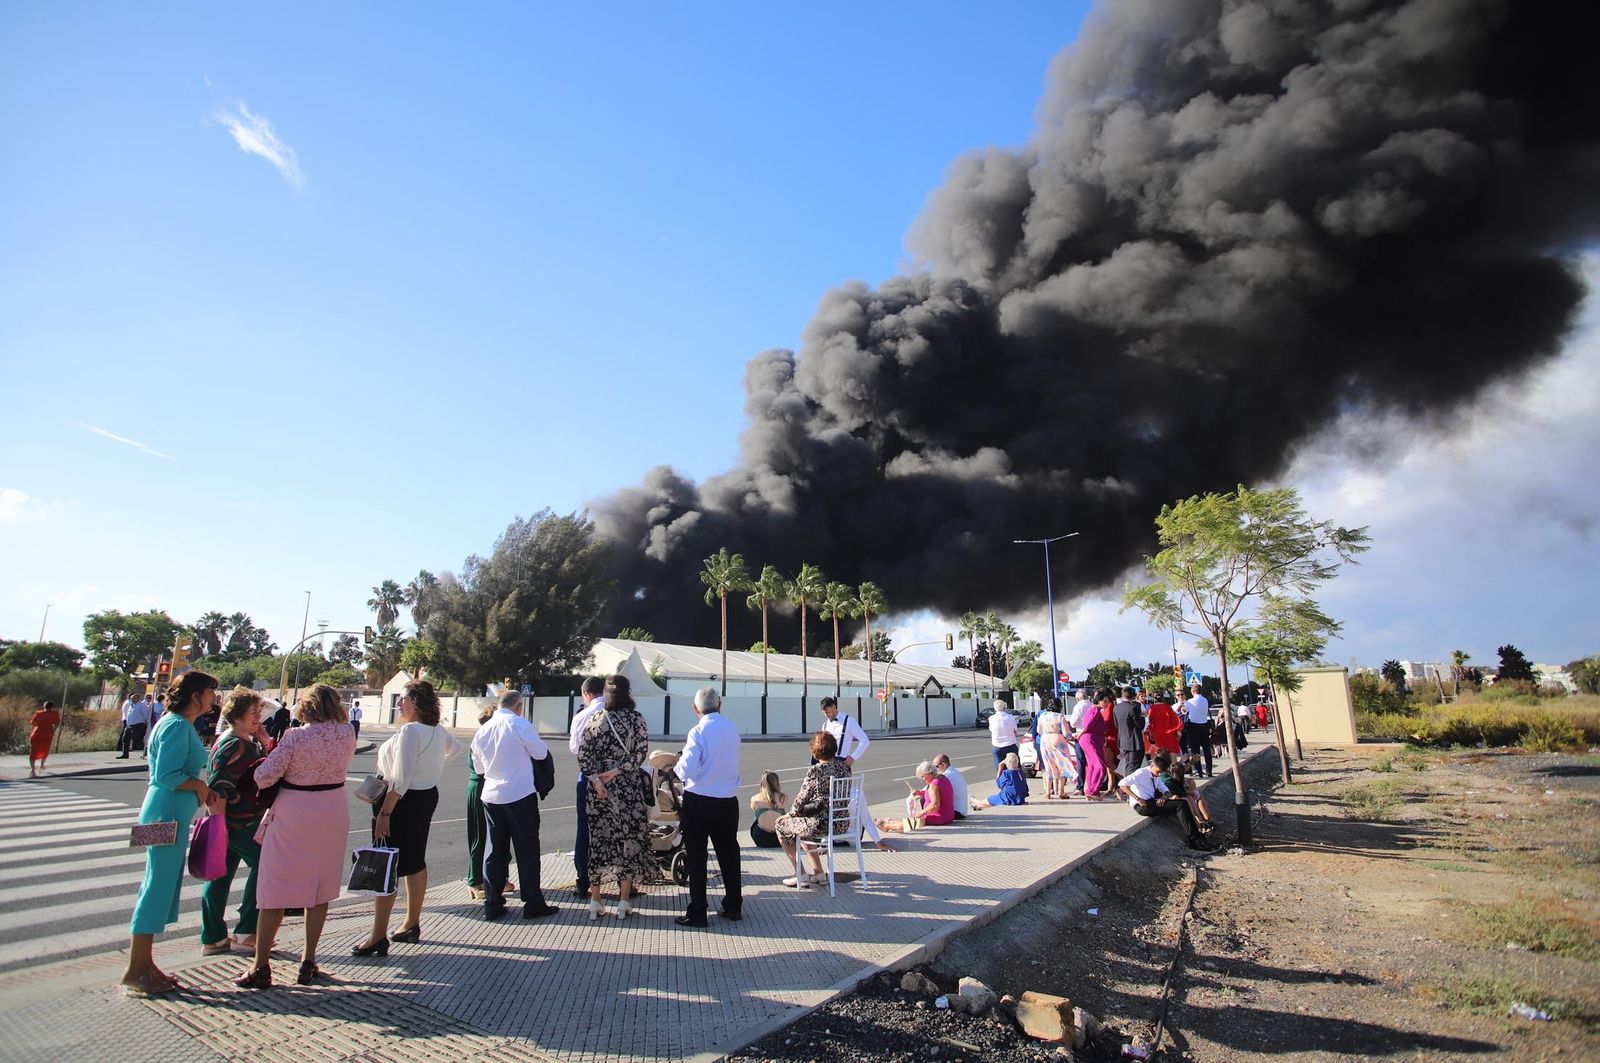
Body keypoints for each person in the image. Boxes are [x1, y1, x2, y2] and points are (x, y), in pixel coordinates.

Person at [236, 683, 357, 989]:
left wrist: (267, 747)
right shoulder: (347, 734)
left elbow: (264, 777)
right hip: (332, 808)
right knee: (320, 886)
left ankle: (260, 965)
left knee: (276, 885)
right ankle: (309, 960)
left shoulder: (295, 736)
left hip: (295, 810)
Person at [123, 670, 216, 997]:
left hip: (166, 810)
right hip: (166, 812)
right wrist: (199, 785)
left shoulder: (176, 723)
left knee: (158, 884)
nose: (213, 698)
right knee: (156, 887)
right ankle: (136, 969)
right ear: (195, 696)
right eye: (209, 692)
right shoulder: (177, 725)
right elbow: (166, 775)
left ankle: (145, 964)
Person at [354, 679, 458, 956]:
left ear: (416, 703)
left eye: (403, 698)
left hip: (399, 800)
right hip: (424, 797)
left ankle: (378, 935)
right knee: (414, 860)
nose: (399, 703)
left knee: (387, 862)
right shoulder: (437, 730)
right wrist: (431, 769)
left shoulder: (411, 732)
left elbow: (399, 780)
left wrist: (385, 813)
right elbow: (455, 749)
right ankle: (411, 923)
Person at [471, 688, 559, 922]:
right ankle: (533, 902)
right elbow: (540, 753)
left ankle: (492, 902)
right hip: (520, 794)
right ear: (519, 706)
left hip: (491, 795)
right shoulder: (520, 725)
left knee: (494, 851)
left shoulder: (483, 731)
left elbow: (479, 768)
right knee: (527, 850)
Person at [577, 675, 653, 919]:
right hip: (626, 787)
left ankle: (596, 900)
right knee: (626, 841)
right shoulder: (636, 719)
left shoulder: (595, 718)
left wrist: (596, 779)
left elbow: (583, 753)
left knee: (599, 840)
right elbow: (640, 754)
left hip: (598, 790)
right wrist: (616, 771)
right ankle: (623, 901)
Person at [200, 687, 268, 956]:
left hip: (230, 821)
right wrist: (219, 825)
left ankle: (213, 937)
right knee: (266, 864)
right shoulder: (236, 744)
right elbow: (219, 788)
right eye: (253, 712)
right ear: (237, 716)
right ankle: (247, 931)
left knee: (219, 876)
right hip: (238, 821)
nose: (258, 716)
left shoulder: (233, 739)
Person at [670, 686, 743, 927]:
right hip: (727, 801)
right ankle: (733, 905)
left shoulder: (698, 731)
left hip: (699, 800)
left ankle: (698, 911)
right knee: (729, 854)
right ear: (719, 705)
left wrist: (676, 768)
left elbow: (687, 768)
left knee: (697, 857)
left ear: (695, 709)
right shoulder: (732, 728)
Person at [774, 731, 852, 888]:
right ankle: (818, 873)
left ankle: (800, 874)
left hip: (822, 823)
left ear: (815, 753)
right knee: (802, 828)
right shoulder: (844, 768)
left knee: (781, 825)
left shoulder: (816, 770)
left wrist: (789, 814)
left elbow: (801, 799)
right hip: (841, 821)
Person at [465, 703, 514, 900]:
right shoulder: (483, 738)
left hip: (496, 789)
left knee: (499, 837)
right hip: (481, 788)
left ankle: (499, 878)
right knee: (480, 837)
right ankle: (474, 881)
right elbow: (482, 769)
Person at [1117, 749, 1208, 850]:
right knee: (1181, 805)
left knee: (1182, 803)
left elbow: (1166, 791)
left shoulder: (1157, 776)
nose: (1159, 774)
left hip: (1153, 802)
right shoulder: (1141, 773)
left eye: (1161, 772)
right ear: (1153, 766)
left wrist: (1163, 798)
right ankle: (1194, 839)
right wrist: (1137, 798)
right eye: (1158, 771)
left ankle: (1197, 835)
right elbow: (1122, 784)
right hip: (1142, 806)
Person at [569, 675, 606, 897]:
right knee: (614, 830)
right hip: (614, 777)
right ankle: (623, 883)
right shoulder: (617, 715)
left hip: (587, 777)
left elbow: (575, 749)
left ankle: (584, 881)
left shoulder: (582, 716)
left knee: (585, 829)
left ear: (586, 694)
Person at [877, 760, 955, 832]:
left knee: (914, 821)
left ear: (930, 773)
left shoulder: (934, 785)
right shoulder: (942, 778)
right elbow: (938, 794)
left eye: (923, 776)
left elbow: (935, 805)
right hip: (948, 815)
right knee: (914, 818)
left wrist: (922, 812)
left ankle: (887, 826)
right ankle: (891, 822)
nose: (923, 779)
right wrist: (920, 793)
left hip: (940, 817)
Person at [1033, 698, 1076, 799]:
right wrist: (1071, 736)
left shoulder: (1042, 716)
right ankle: (1060, 791)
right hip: (1057, 739)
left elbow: (1039, 730)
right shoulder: (1060, 716)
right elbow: (1066, 732)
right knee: (1062, 764)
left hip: (1044, 740)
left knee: (1048, 766)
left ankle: (1048, 791)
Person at [1158, 759, 1215, 833]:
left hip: (1177, 791)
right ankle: (1199, 820)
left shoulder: (1173, 773)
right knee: (1189, 798)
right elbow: (1181, 793)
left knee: (1192, 785)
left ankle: (1208, 818)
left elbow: (1182, 772)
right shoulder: (1168, 781)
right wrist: (1190, 791)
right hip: (1169, 796)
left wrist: (1190, 763)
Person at [1078, 689, 1112, 800]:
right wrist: (1080, 733)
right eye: (1105, 701)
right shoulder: (1095, 710)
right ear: (1099, 701)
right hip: (1091, 740)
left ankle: (1091, 790)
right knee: (1100, 766)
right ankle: (1093, 791)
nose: (1107, 703)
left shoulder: (1093, 710)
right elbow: (1087, 725)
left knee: (1093, 765)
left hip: (1092, 740)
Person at [819, 696, 870, 766]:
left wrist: (853, 757)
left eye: (828, 712)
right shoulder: (825, 725)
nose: (827, 715)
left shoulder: (848, 720)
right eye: (824, 713)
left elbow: (865, 740)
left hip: (842, 764)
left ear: (834, 707)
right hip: (826, 765)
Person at [748, 771, 788, 848]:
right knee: (780, 814)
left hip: (761, 837)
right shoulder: (783, 797)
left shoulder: (755, 798)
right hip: (778, 837)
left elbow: (753, 808)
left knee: (758, 814)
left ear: (762, 784)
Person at [1182, 682, 1213, 778]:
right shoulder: (1205, 700)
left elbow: (1184, 711)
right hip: (1204, 725)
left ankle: (1199, 771)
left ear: (1193, 691)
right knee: (1206, 749)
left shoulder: (1190, 701)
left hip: (1194, 726)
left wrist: (1183, 706)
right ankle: (1209, 771)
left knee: (1196, 750)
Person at [1113, 687, 1144, 781]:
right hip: (1134, 741)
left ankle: (1126, 784)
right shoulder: (1133, 707)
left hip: (1123, 740)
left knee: (1128, 764)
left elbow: (1116, 724)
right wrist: (1142, 717)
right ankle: (1128, 786)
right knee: (1134, 766)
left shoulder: (1116, 707)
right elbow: (1140, 725)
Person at [1069, 690, 1094, 794]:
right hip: (1092, 735)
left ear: (1078, 698)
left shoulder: (1078, 706)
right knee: (1091, 760)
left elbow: (1073, 723)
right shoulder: (1092, 705)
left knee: (1081, 761)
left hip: (1080, 734)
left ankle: (1081, 786)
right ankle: (1092, 784)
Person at [28, 700, 61, 777]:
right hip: (47, 734)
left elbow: (33, 722)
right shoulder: (55, 714)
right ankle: (42, 765)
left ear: (44, 706)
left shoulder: (38, 713)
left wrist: (39, 725)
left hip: (37, 733)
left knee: (33, 751)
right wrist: (53, 730)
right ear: (52, 707)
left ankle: (33, 771)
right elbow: (56, 724)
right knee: (45, 749)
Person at [933, 753, 969, 818]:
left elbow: (931, 788)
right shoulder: (955, 771)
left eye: (936, 766)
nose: (935, 769)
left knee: (925, 799)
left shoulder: (946, 776)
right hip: (962, 811)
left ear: (943, 764)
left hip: (956, 812)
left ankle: (926, 819)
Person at [988, 699, 1019, 767]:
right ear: (1004, 707)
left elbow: (991, 729)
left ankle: (1001, 777)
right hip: (1010, 745)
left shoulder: (991, 718)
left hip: (997, 745)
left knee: (1000, 767)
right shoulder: (1010, 717)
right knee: (1014, 766)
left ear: (994, 708)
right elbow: (1015, 731)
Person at [117, 694, 147, 758]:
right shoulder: (131, 706)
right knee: (125, 739)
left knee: (137, 741)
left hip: (138, 725)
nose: (132, 699)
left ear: (138, 699)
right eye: (132, 698)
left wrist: (145, 723)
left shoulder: (142, 706)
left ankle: (146, 751)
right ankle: (125, 754)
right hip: (129, 725)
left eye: (134, 698)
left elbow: (146, 715)